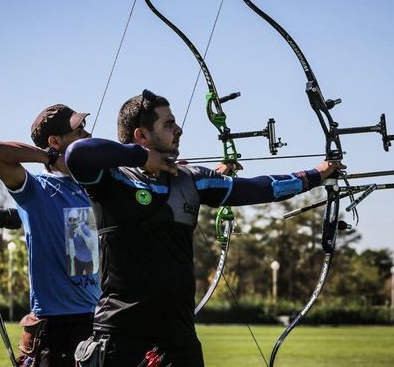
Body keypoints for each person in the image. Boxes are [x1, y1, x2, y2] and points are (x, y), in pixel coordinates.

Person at [64, 89, 343, 367]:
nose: (179, 129)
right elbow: (77, 153)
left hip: (178, 340)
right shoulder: (111, 180)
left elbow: (259, 188)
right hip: (121, 337)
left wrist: (314, 176)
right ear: (142, 136)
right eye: (169, 124)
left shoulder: (192, 179)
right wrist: (141, 158)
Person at [0, 104, 101, 367]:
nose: (88, 134)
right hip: (55, 326)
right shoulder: (36, 189)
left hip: (95, 320)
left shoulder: (94, 186)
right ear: (55, 141)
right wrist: (51, 158)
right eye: (78, 130)